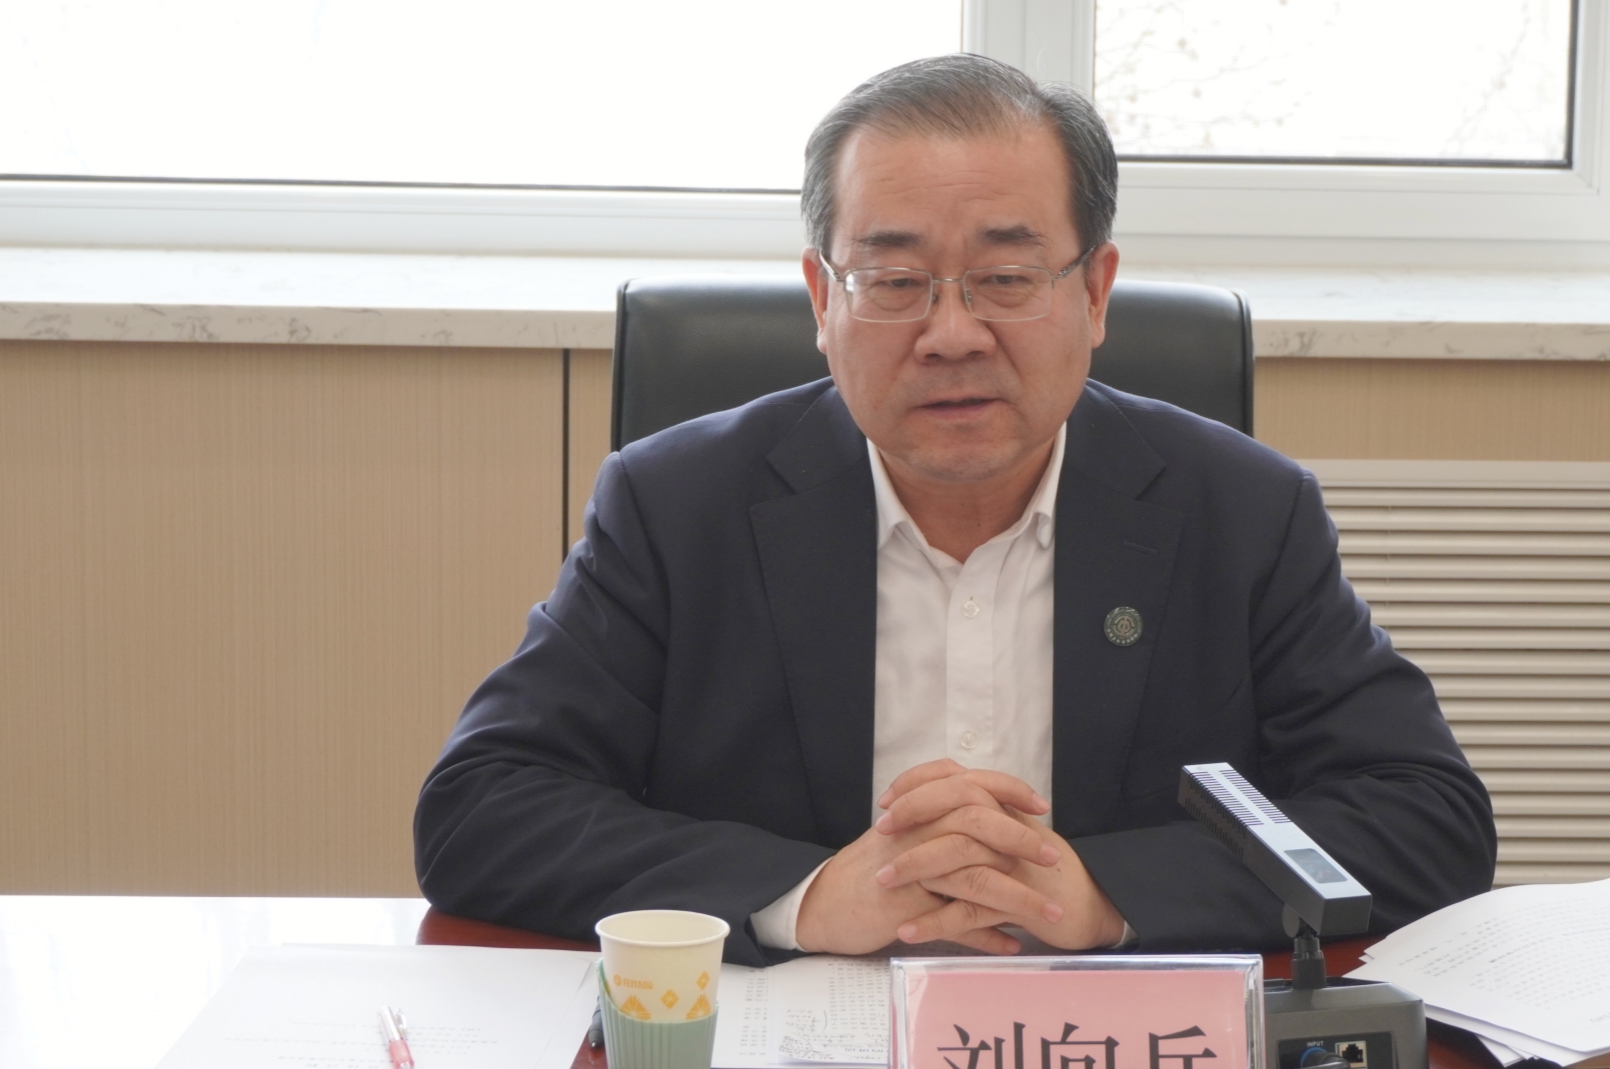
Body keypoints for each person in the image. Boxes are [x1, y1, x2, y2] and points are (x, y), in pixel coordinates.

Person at [414, 54, 1494, 965]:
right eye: (894, 283)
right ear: (821, 301)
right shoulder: (674, 506)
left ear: (1094, 292)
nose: (952, 334)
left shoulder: (1240, 511)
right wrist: (803, 898)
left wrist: (1105, 894)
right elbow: (484, 807)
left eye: (1006, 278)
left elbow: (1424, 816)